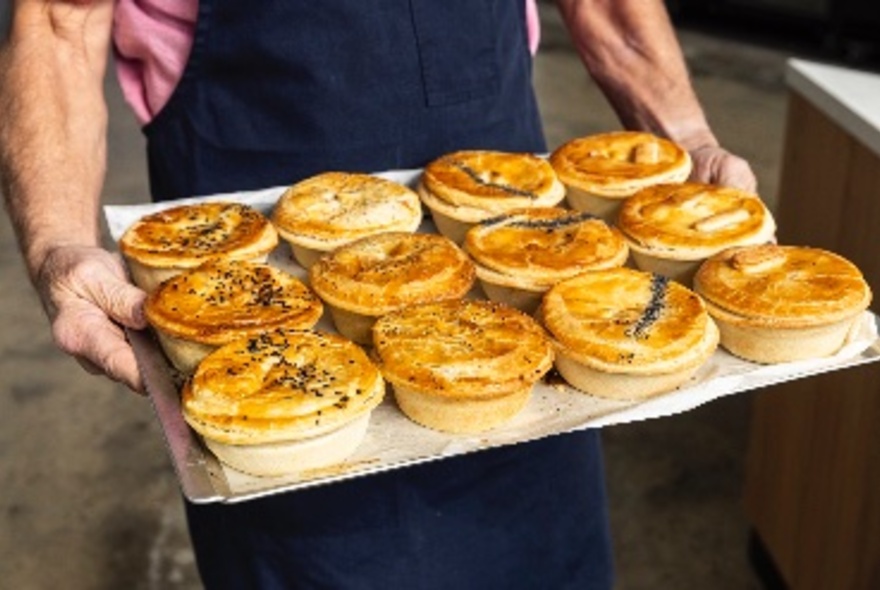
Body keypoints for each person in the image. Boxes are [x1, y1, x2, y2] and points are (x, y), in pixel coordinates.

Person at [0, 0, 757, 588]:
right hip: (246, 184)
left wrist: (687, 144)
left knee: (535, 532)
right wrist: (57, 240)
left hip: (501, 213)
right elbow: (62, 23)